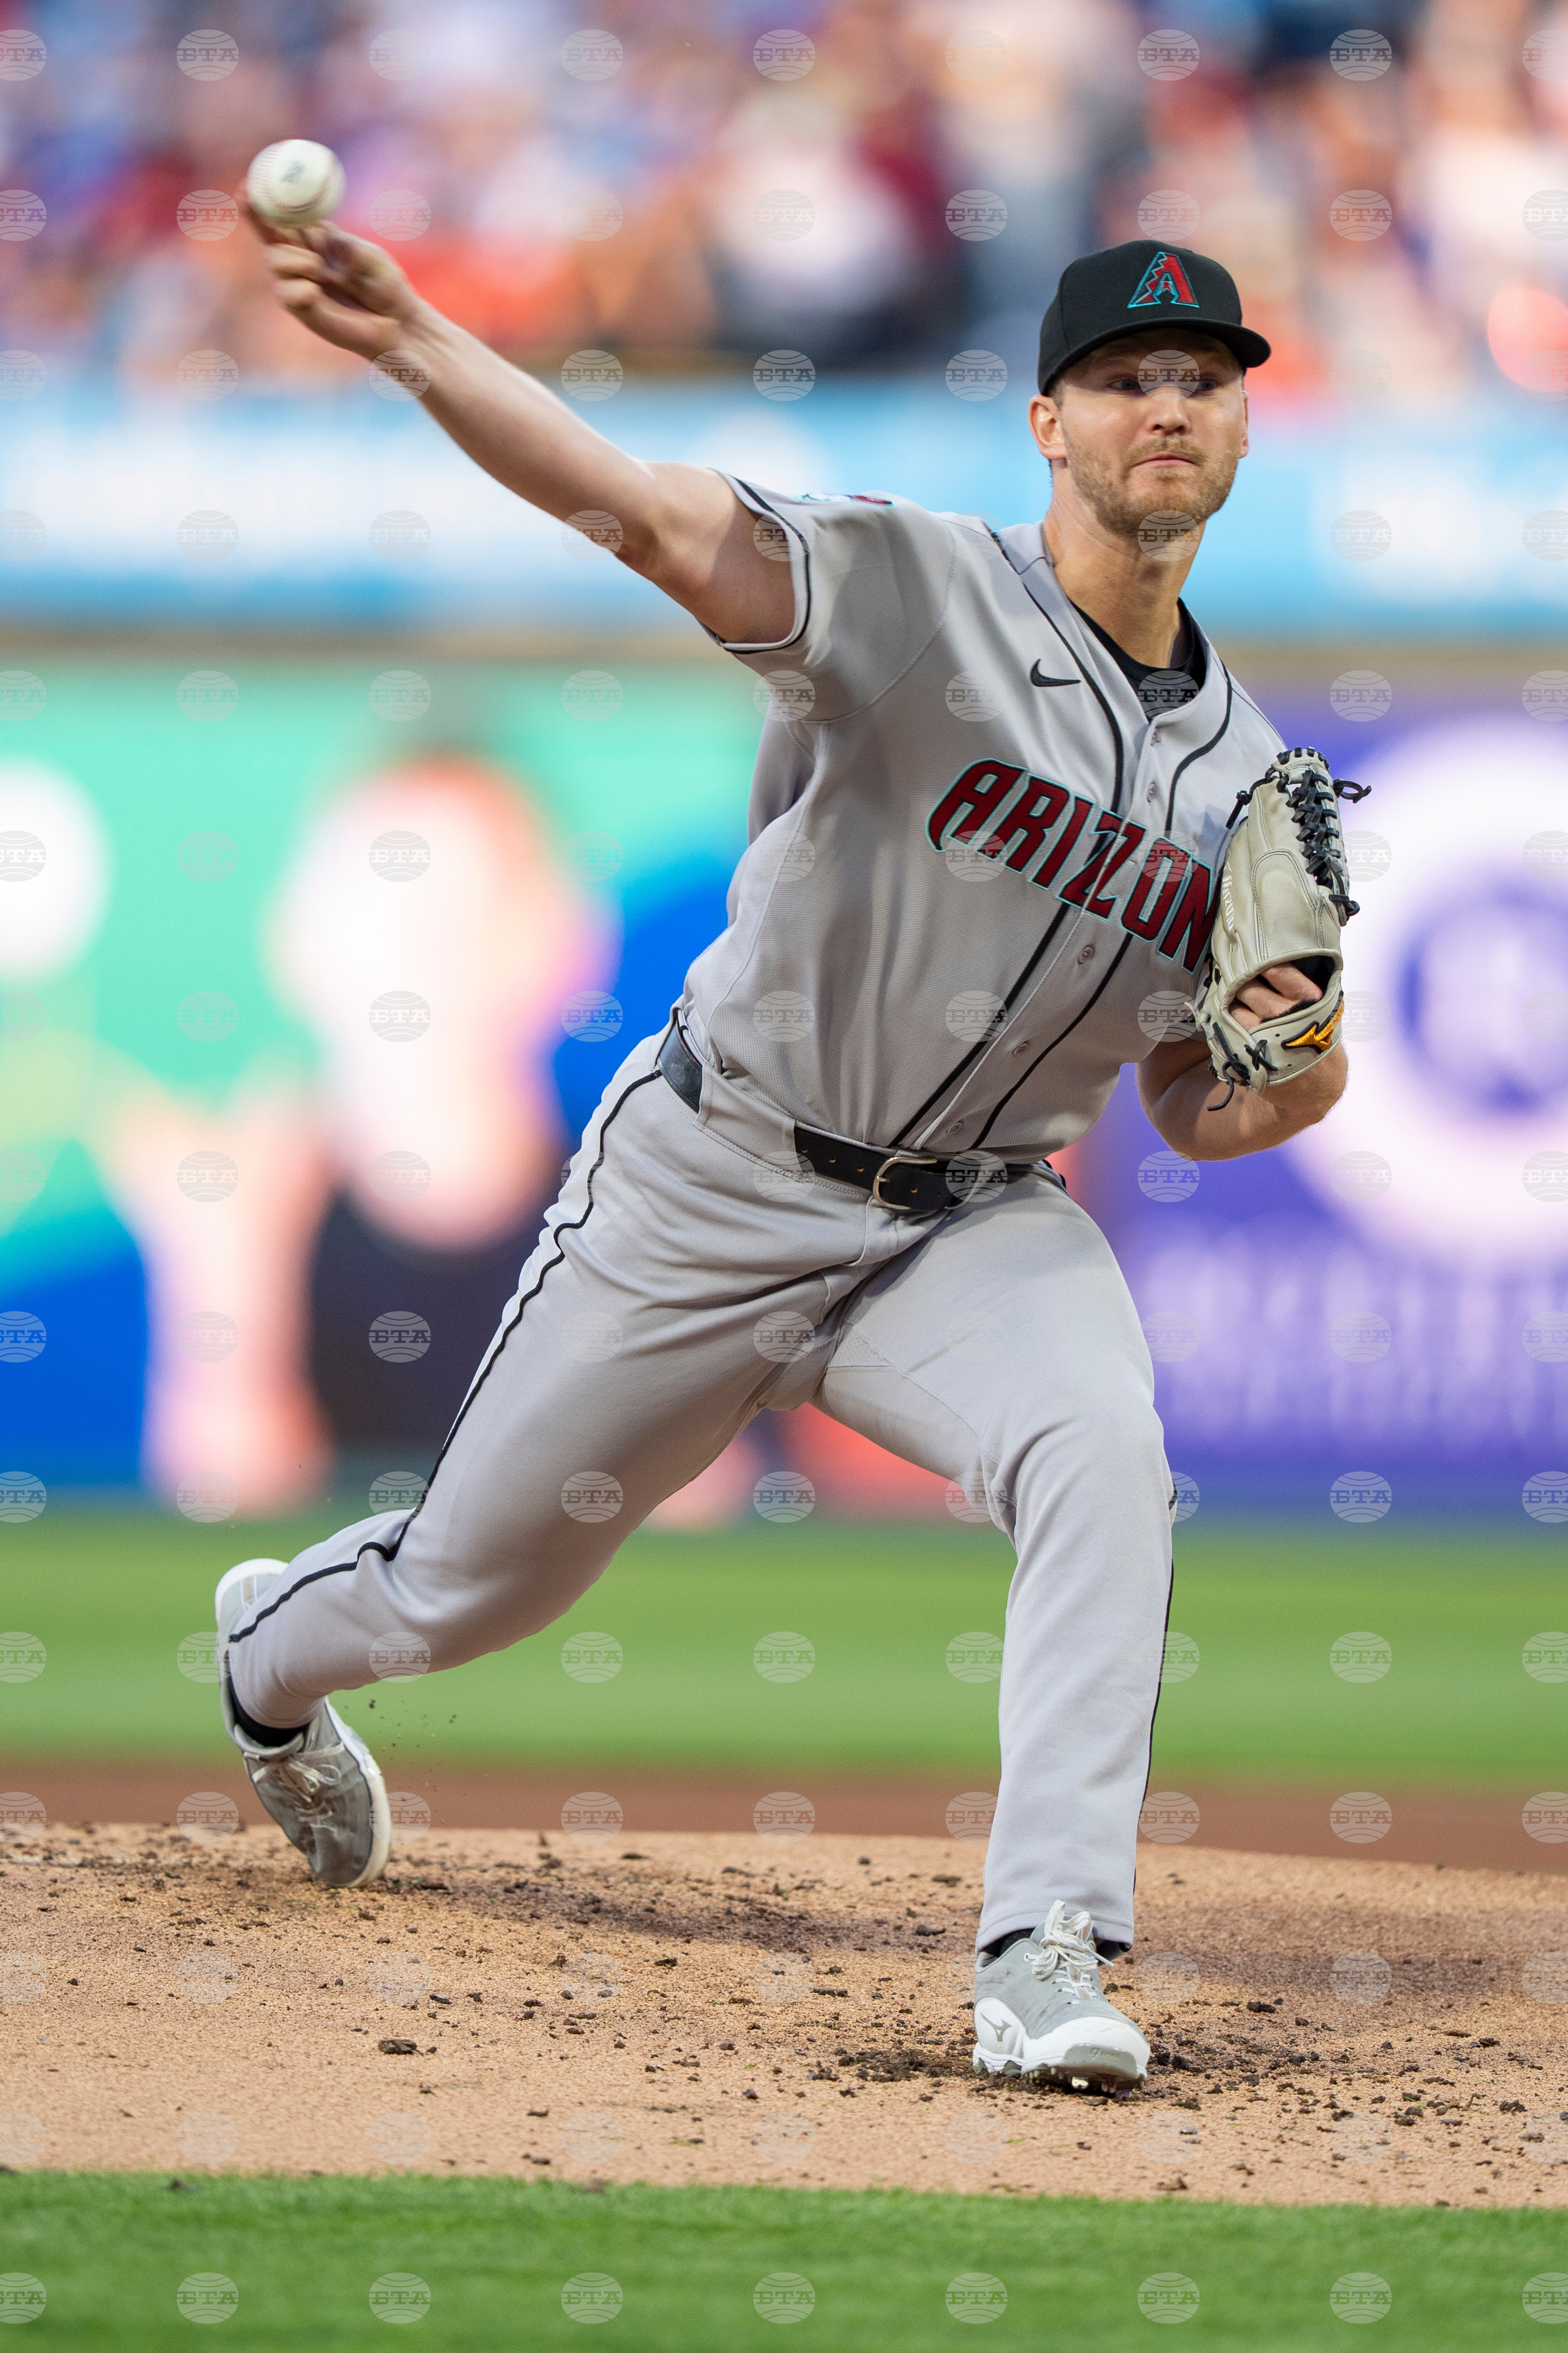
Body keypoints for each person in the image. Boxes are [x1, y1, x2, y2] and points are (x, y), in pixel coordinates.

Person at [214, 230, 1345, 2089]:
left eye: (1203, 378)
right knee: (464, 1594)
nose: (1168, 406)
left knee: (1104, 1462)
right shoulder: (913, 588)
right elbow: (641, 511)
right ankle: (272, 1654)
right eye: (1129, 376)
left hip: (970, 1225)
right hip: (716, 1172)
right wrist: (423, 339)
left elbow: (1201, 1108)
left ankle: (1044, 1945)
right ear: (1050, 421)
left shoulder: (1259, 793)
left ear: (1238, 429)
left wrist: (1293, 1067)